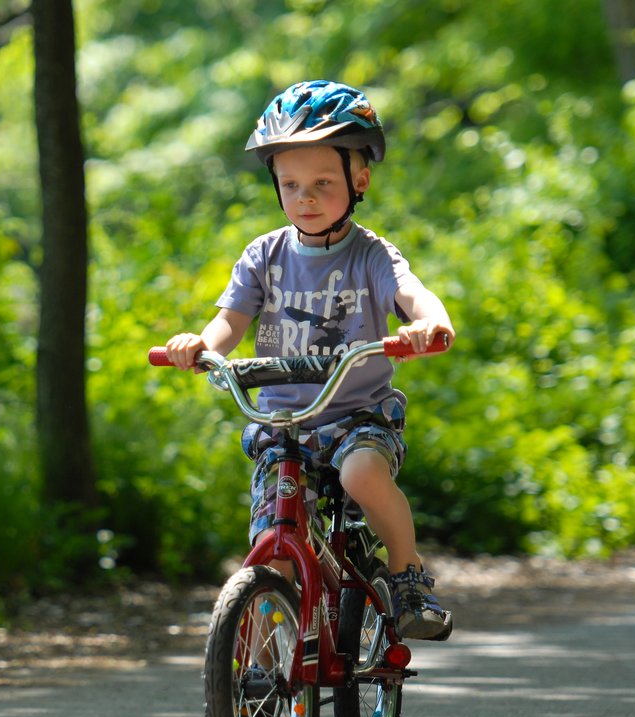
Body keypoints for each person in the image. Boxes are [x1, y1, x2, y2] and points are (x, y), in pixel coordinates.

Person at [164, 80, 454, 640]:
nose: (307, 197)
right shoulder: (263, 256)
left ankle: (407, 573)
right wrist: (201, 346)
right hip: (282, 425)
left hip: (356, 416)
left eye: (323, 182)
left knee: (362, 473)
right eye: (291, 184)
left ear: (359, 179)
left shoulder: (370, 254)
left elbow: (410, 291)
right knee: (272, 546)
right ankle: (264, 668)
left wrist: (429, 322)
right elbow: (230, 321)